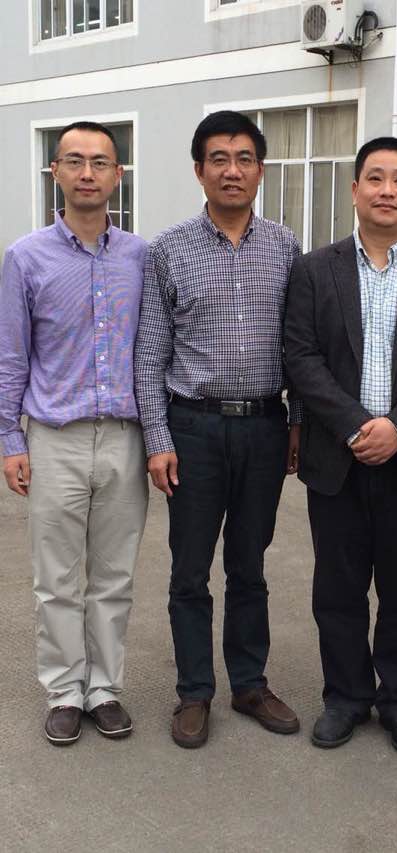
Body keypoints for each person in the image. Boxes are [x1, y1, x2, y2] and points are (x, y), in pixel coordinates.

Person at [285, 137, 397, 759]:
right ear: (355, 189)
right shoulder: (315, 269)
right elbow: (301, 357)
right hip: (338, 457)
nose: (387, 190)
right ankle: (345, 697)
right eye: (375, 178)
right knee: (337, 589)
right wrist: (358, 426)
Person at [134, 111, 300, 749]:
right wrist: (158, 441)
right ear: (199, 170)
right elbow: (150, 354)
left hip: (264, 425)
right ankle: (194, 692)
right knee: (190, 569)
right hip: (193, 427)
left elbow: (300, 348)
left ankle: (250, 684)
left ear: (261, 169)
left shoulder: (286, 248)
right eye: (219, 159)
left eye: (244, 158)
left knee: (249, 564)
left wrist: (298, 424)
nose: (233, 171)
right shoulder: (168, 250)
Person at [0, 121, 149, 745]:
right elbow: (12, 354)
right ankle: (64, 690)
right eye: (75, 161)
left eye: (101, 162)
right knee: (56, 578)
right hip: (55, 438)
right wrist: (10, 440)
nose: (88, 173)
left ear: (118, 175)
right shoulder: (25, 257)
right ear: (55, 172)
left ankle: (104, 688)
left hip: (124, 438)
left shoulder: (140, 257)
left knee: (114, 576)